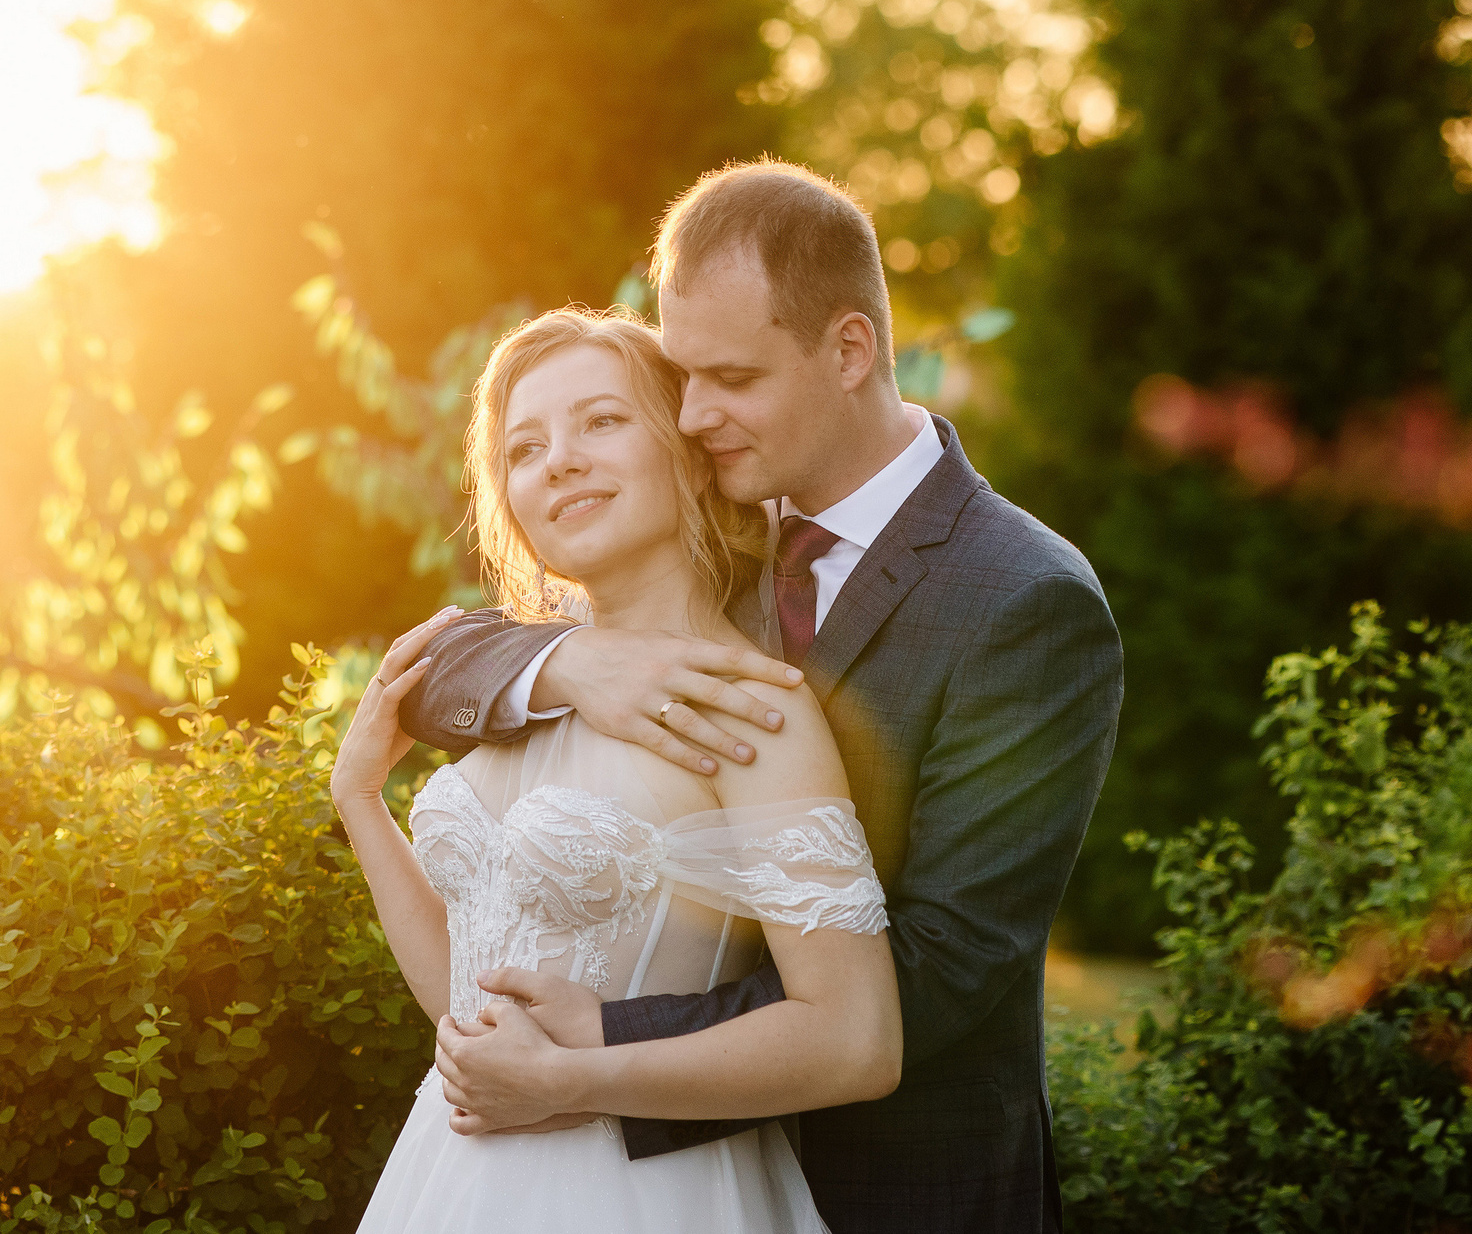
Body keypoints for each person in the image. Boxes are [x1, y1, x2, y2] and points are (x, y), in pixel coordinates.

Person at [399, 160, 1124, 1232]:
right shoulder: (724, 528)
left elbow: (944, 966)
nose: (692, 415)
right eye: (681, 375)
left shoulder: (1023, 602)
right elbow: (441, 670)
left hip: (891, 1185)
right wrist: (566, 664)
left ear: (848, 348)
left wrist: (598, 1039)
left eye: (730, 378)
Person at [333, 304, 903, 1233]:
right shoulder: (529, 686)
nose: (557, 458)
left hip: (647, 1196)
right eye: (523, 447)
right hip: (452, 1180)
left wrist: (566, 1080)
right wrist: (359, 801)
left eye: (600, 421)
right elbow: (471, 1004)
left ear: (685, 452)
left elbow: (854, 1040)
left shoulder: (746, 708)